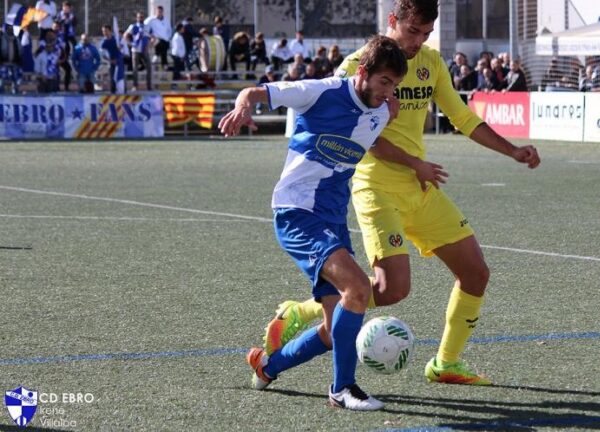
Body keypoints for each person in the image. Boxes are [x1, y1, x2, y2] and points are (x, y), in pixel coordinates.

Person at [261, 0, 540, 386]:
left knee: (475, 272)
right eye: (413, 32)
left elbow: (461, 117)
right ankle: (306, 311)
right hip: (375, 186)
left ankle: (446, 363)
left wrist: (512, 150)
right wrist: (414, 162)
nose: (419, 41)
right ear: (393, 21)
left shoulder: (431, 64)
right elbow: (358, 137)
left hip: (420, 185)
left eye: (426, 34)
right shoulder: (362, 63)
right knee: (392, 289)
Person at [219, 35, 408, 411]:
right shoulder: (319, 91)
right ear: (364, 72)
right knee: (357, 289)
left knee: (331, 327)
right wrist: (243, 108)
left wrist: (413, 160)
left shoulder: (384, 108)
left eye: (395, 86)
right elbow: (254, 93)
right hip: (297, 212)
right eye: (384, 82)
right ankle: (343, 389)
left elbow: (374, 139)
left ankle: (268, 365)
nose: (389, 93)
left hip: (333, 220)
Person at [124, 11, 151, 91]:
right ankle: (135, 85)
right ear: (136, 18)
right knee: (135, 68)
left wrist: (149, 45)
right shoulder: (133, 26)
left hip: (144, 49)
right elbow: (125, 35)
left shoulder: (147, 27)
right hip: (135, 49)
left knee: (149, 67)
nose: (140, 19)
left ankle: (149, 85)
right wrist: (130, 43)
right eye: (139, 17)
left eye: (142, 17)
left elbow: (151, 37)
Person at [144, 5, 172, 70]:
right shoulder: (151, 20)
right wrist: (150, 36)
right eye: (158, 11)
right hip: (156, 40)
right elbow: (145, 29)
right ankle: (165, 65)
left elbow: (169, 30)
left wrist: (168, 38)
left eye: (161, 11)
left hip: (165, 40)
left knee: (163, 48)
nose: (160, 13)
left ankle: (156, 57)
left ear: (163, 12)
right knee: (162, 45)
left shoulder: (166, 20)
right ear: (156, 12)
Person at [99, 25, 122, 93]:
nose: (104, 33)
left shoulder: (116, 39)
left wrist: (120, 48)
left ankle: (122, 91)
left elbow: (123, 49)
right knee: (112, 78)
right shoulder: (103, 42)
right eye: (103, 31)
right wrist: (111, 61)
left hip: (119, 61)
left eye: (106, 31)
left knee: (121, 78)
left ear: (110, 31)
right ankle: (113, 93)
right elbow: (102, 55)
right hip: (111, 63)